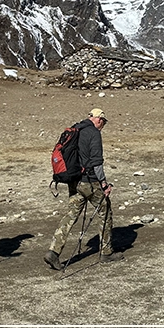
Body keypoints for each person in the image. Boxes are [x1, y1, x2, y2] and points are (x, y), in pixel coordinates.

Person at [44, 108, 121, 270]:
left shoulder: (76, 129)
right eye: (104, 122)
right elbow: (97, 162)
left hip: (74, 181)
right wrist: (104, 184)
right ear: (99, 119)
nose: (103, 125)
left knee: (70, 215)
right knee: (105, 211)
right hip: (90, 182)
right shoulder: (94, 133)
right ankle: (106, 252)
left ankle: (54, 251)